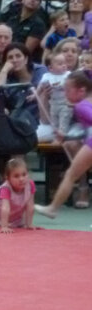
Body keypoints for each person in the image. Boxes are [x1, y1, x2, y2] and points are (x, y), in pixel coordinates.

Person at [36, 71, 92, 217]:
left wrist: (66, 135)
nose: (65, 93)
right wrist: (67, 135)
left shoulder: (81, 106)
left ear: (82, 90)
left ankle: (53, 208)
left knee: (71, 174)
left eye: (68, 90)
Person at [0, 157, 36, 232]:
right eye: (16, 176)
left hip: (11, 206)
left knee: (18, 222)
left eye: (24, 174)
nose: (21, 179)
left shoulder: (30, 184)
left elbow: (30, 206)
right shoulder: (6, 189)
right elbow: (5, 208)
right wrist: (4, 227)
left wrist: (29, 224)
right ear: (8, 178)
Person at [35, 53, 72, 142]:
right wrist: (36, 95)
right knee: (54, 120)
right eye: (60, 64)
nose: (64, 65)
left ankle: (61, 135)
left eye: (64, 63)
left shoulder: (69, 75)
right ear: (50, 68)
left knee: (64, 117)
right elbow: (40, 86)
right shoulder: (47, 76)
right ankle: (56, 134)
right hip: (54, 103)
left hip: (65, 103)